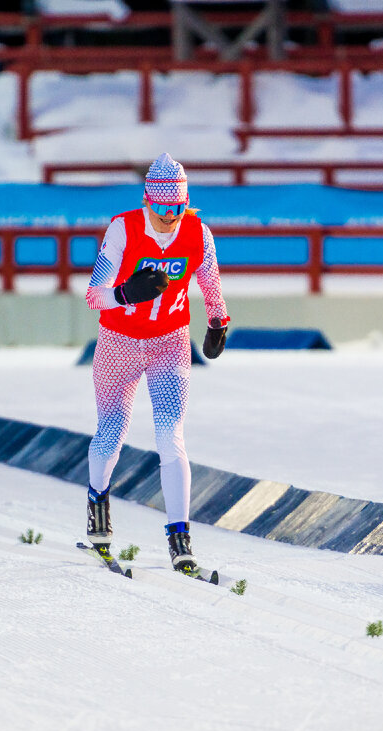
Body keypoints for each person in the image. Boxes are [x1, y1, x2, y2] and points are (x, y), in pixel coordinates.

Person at [83, 153, 230, 576]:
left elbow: (209, 278)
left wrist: (218, 320)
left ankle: (179, 539)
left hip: (169, 343)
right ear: (148, 202)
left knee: (171, 436)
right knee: (111, 432)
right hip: (119, 343)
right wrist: (127, 293)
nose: (170, 218)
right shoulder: (123, 228)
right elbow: (95, 294)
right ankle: (98, 502)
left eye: (178, 209)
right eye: (162, 209)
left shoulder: (198, 233)